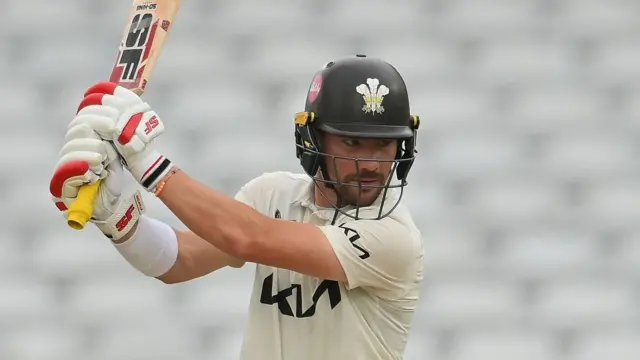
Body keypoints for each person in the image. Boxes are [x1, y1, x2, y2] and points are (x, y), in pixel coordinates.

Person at [49, 54, 424, 360]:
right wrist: (113, 215)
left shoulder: (393, 237)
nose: (373, 164)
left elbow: (247, 238)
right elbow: (178, 260)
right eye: (353, 143)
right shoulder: (271, 195)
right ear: (313, 138)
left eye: (384, 144)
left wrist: (147, 163)